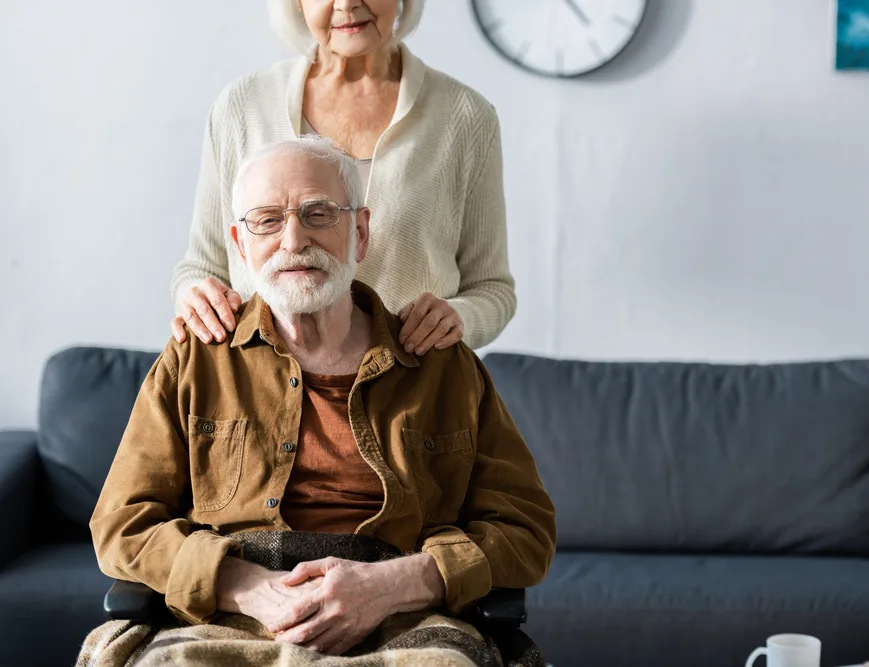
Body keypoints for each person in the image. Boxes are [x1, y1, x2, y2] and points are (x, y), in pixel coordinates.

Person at [80, 138, 554, 667]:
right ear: (240, 244)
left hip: (405, 615)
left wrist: (397, 583)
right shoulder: (196, 358)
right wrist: (241, 583)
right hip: (228, 610)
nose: (294, 239)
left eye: (318, 213)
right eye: (266, 220)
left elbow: (526, 530)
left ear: (360, 232)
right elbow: (121, 523)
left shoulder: (443, 363)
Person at [171, 0, 515, 355]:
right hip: (260, 390)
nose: (348, 3)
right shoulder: (241, 107)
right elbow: (200, 268)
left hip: (408, 391)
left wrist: (458, 318)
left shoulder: (465, 116)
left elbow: (492, 289)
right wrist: (196, 298)